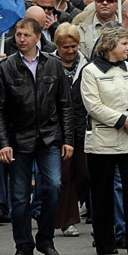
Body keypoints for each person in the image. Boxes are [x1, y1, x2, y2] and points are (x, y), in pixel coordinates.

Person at [0, 17, 77, 255]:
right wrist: (3, 143)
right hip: (18, 139)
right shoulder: (5, 67)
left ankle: (46, 239)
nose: (21, 39)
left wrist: (67, 138)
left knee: (53, 187)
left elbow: (65, 104)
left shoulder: (53, 64)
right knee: (19, 198)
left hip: (49, 137)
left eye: (26, 35)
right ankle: (23, 246)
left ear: (38, 37)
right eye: (18, 34)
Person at [81, 26, 128, 255]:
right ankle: (105, 241)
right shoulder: (91, 71)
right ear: (110, 46)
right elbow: (93, 105)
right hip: (103, 140)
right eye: (124, 44)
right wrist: (121, 120)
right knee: (102, 192)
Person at [51, 23, 88, 239]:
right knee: (64, 176)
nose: (71, 51)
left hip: (82, 127)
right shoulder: (49, 65)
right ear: (58, 46)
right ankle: (67, 220)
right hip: (57, 129)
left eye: (74, 46)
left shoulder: (87, 66)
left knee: (83, 174)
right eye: (66, 47)